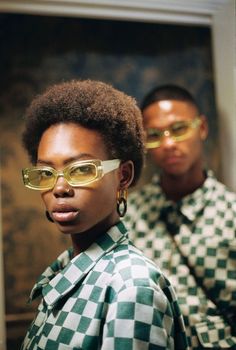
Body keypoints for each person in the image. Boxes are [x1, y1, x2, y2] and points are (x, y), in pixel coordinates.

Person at [20, 80, 188, 350]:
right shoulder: (66, 269)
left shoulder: (132, 287)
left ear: (123, 176)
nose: (59, 188)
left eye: (82, 170)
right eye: (46, 173)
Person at [124, 84, 236, 349]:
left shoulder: (230, 213)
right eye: (154, 135)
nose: (168, 143)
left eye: (179, 129)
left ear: (202, 128)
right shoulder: (130, 216)